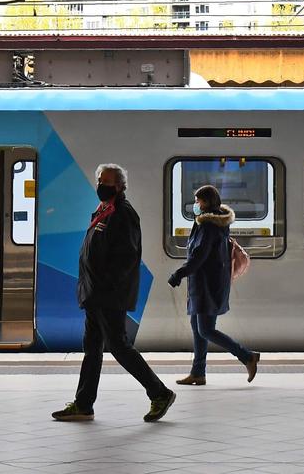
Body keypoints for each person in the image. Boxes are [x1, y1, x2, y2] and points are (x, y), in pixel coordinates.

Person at [52, 164, 176, 423]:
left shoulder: (123, 214)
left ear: (119, 185)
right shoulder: (104, 211)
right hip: (96, 294)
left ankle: (160, 393)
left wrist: (105, 287)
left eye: (106, 180)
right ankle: (84, 404)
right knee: (93, 348)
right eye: (99, 179)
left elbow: (126, 258)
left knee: (119, 346)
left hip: (108, 295)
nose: (101, 183)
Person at [168, 185, 260, 385]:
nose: (195, 205)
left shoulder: (209, 226)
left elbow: (199, 257)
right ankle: (198, 373)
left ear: (207, 202)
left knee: (206, 330)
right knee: (197, 327)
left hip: (207, 286)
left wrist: (179, 274)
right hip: (204, 284)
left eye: (198, 201)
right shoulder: (209, 222)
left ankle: (247, 356)